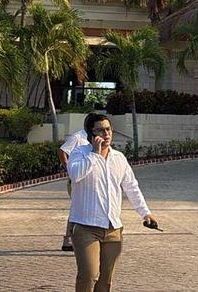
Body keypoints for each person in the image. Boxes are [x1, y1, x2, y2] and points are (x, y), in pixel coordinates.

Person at [67, 113, 157, 292]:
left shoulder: (119, 158)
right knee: (88, 275)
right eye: (100, 130)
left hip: (113, 228)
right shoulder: (79, 153)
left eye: (108, 129)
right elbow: (75, 175)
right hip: (86, 228)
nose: (106, 134)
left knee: (106, 279)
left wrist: (145, 213)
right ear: (90, 134)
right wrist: (94, 153)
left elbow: (132, 187)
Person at [58, 126, 90, 251]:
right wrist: (69, 169)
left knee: (81, 208)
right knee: (78, 208)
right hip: (76, 180)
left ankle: (72, 239)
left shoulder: (95, 140)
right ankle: (69, 239)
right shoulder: (78, 137)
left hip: (88, 181)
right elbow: (62, 151)